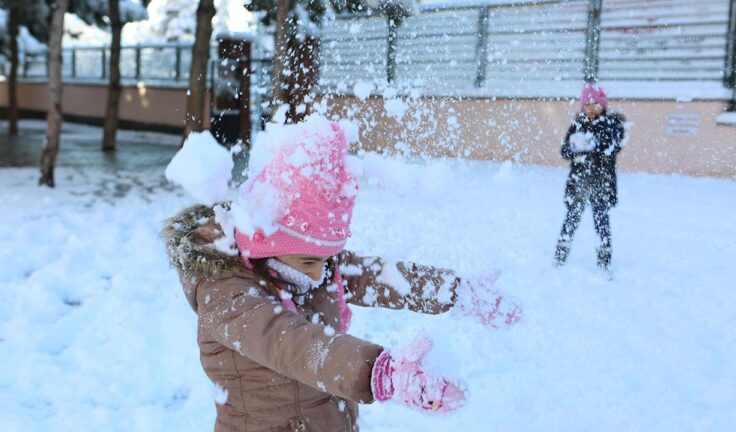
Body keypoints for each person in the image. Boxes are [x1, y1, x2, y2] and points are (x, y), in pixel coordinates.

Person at [163, 116, 522, 431]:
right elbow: (293, 343)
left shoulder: (307, 265)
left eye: (327, 257)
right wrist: (380, 372)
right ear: (264, 245)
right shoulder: (227, 295)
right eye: (309, 261)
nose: (320, 272)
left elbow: (380, 277)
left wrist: (454, 291)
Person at [554, 84, 626, 272]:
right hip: (579, 182)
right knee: (571, 218)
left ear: (603, 105)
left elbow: (612, 147)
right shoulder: (578, 124)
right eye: (587, 104)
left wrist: (591, 146)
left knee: (601, 219)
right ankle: (560, 254)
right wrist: (575, 149)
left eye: (595, 104)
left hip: (601, 182)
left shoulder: (612, 124)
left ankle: (604, 258)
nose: (591, 108)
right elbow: (565, 151)